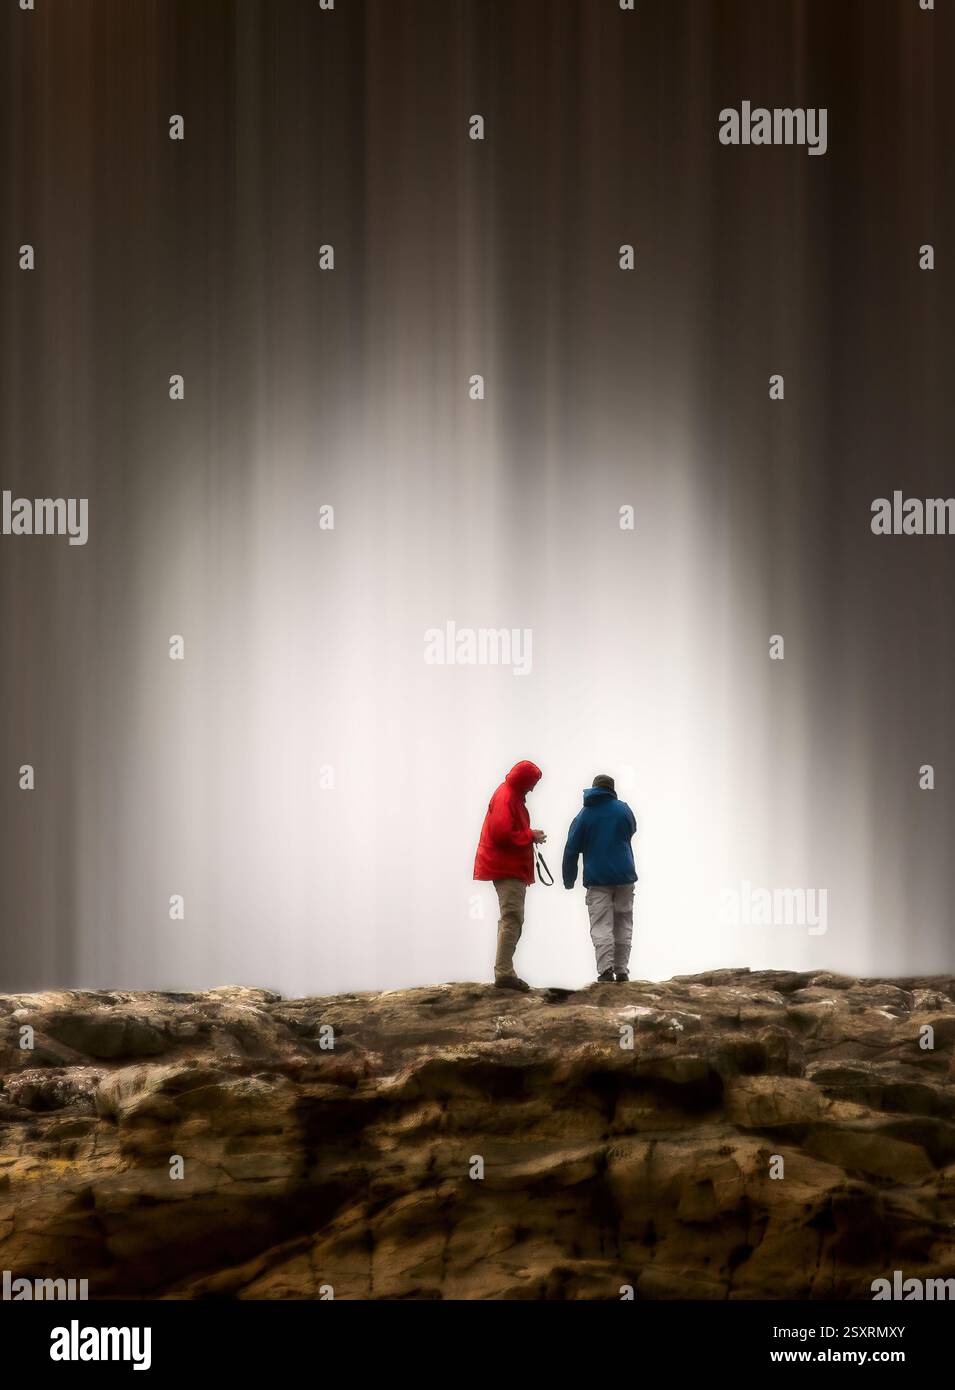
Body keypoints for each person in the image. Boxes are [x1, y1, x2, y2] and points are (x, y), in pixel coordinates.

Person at [473, 760, 546, 991]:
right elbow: (502, 834)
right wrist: (530, 835)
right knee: (512, 917)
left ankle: (504, 970)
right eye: (532, 783)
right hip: (507, 868)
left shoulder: (509, 794)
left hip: (507, 867)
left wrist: (528, 835)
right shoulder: (507, 796)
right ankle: (504, 973)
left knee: (511, 918)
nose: (532, 788)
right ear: (524, 780)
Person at [562, 774, 637, 982]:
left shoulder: (585, 815)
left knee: (602, 924)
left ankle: (606, 971)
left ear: (594, 788)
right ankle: (622, 970)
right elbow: (632, 829)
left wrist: (569, 879)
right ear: (612, 789)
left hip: (598, 879)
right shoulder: (624, 810)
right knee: (623, 922)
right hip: (625, 875)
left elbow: (571, 849)